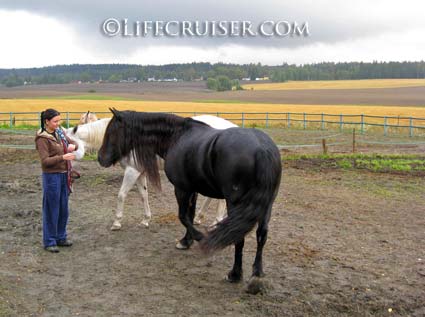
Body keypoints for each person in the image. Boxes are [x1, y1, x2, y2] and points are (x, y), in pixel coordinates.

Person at [35, 109, 78, 253]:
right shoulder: (42, 138)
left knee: (63, 208)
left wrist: (74, 146)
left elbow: (73, 144)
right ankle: (49, 241)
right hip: (51, 176)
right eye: (55, 121)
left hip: (64, 175)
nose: (58, 123)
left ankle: (61, 237)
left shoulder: (60, 132)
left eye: (59, 120)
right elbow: (45, 161)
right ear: (46, 121)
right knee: (51, 208)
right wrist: (63, 158)